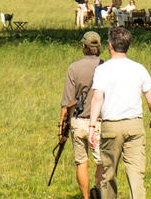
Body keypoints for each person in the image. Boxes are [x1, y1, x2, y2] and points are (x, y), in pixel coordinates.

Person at [88, 27, 151, 199]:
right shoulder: (139, 68)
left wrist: (91, 125)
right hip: (134, 125)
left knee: (109, 173)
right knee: (136, 174)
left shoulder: (103, 69)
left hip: (111, 125)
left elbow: (97, 98)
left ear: (110, 46)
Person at [59, 31, 105, 199]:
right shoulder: (104, 66)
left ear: (84, 46)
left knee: (81, 162)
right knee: (101, 161)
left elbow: (67, 102)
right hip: (99, 121)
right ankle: (98, 190)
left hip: (78, 121)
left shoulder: (73, 67)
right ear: (98, 47)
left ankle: (86, 197)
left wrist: (62, 127)